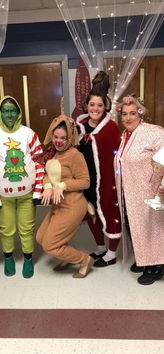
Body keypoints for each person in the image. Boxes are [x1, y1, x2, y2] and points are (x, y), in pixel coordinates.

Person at [0, 95, 44, 278]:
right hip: (3, 196)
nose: (9, 114)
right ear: (0, 113)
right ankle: (8, 258)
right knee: (7, 229)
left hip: (27, 194)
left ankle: (28, 259)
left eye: (12, 111)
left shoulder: (29, 134)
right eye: (5, 110)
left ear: (18, 113)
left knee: (27, 229)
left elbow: (39, 162)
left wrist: (38, 191)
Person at [36, 114, 94, 278]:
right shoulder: (54, 153)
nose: (58, 141)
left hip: (73, 206)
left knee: (49, 245)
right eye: (55, 137)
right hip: (58, 205)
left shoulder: (75, 155)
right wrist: (47, 185)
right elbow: (48, 174)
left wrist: (63, 185)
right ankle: (66, 257)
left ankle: (84, 260)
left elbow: (85, 182)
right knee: (41, 238)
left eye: (63, 138)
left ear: (70, 138)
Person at [115, 94, 164, 285]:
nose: (128, 118)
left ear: (140, 114)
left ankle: (155, 266)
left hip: (149, 192)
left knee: (151, 228)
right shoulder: (127, 135)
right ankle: (145, 260)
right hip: (131, 192)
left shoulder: (154, 132)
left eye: (133, 113)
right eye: (124, 114)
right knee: (134, 226)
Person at [76, 71, 121, 267]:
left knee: (111, 214)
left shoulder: (110, 128)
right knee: (92, 214)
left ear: (105, 107)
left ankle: (112, 253)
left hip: (107, 181)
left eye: (100, 105)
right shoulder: (79, 127)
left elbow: (118, 155)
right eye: (92, 104)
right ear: (87, 106)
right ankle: (100, 247)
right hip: (87, 181)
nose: (95, 108)